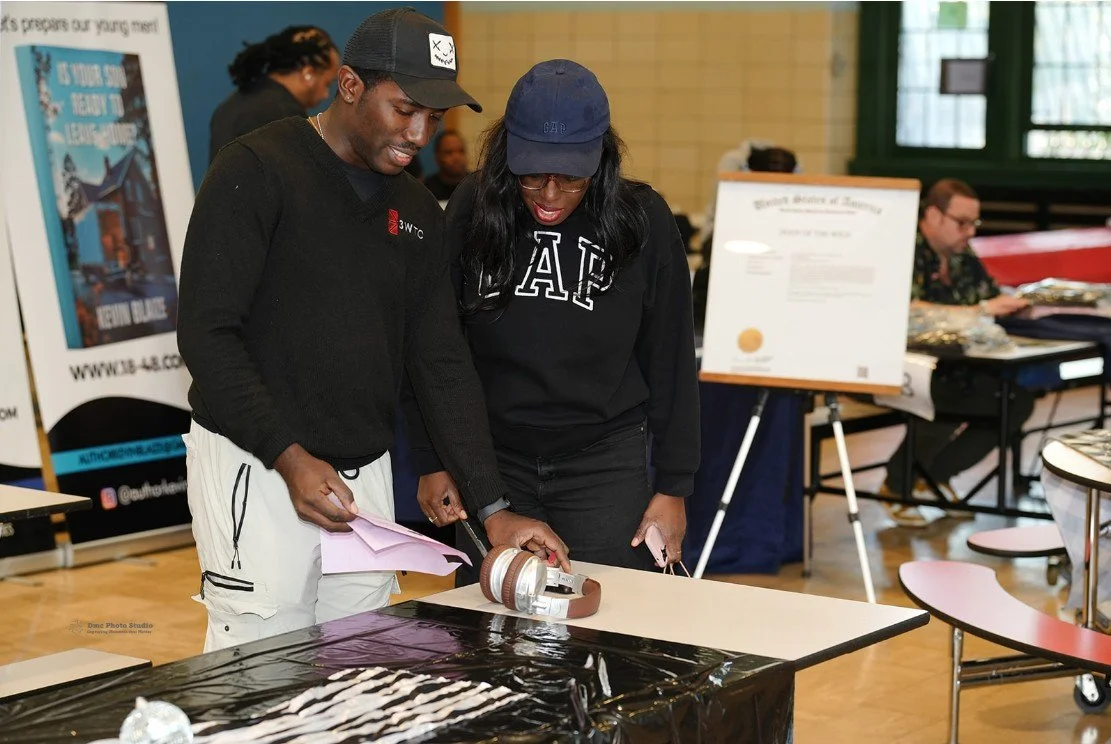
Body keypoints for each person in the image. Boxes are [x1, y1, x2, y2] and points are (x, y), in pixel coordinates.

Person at [178, 8, 568, 653]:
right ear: (351, 85)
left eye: (434, 118)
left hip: (363, 480)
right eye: (405, 108)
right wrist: (288, 456)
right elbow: (206, 335)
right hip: (258, 464)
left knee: (360, 668)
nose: (419, 133)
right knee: (260, 673)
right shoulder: (256, 169)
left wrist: (493, 508)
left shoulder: (416, 209)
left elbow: (438, 360)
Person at [402, 59, 700, 580]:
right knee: (492, 631)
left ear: (601, 158)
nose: (550, 195)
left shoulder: (642, 220)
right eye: (533, 176)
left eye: (572, 179)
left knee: (614, 626)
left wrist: (673, 486)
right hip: (490, 461)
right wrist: (433, 458)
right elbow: (433, 346)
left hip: (603, 463)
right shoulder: (473, 208)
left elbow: (672, 359)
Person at [881, 178, 1033, 527]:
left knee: (1014, 402)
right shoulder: (901, 249)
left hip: (956, 365)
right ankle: (896, 483)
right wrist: (981, 311)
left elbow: (990, 296)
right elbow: (907, 312)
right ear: (932, 215)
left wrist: (1017, 305)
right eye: (962, 223)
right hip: (897, 365)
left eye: (974, 224)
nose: (970, 233)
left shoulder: (962, 256)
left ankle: (932, 476)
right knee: (944, 396)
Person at [208, 25, 339, 164]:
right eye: (327, 83)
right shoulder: (284, 115)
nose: (326, 95)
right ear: (308, 74)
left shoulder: (230, 105)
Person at [422, 129, 469, 204]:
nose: (456, 158)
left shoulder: (477, 185)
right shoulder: (426, 189)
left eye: (461, 151)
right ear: (437, 158)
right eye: (449, 152)